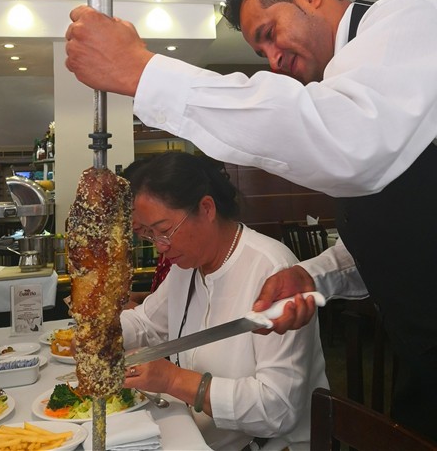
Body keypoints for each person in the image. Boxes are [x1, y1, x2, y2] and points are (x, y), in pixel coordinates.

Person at [66, 0, 437, 449]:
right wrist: (315, 274)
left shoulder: (411, 18)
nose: (274, 60)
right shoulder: (354, 92)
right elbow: (405, 230)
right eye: (262, 52)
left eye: (269, 33)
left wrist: (143, 72)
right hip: (434, 354)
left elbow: (351, 144)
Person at [120, 151, 328, 451]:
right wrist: (96, 333)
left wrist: (174, 381)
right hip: (203, 438)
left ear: (206, 208)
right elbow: (146, 323)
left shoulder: (272, 271)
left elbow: (278, 409)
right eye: (149, 235)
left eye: (164, 231)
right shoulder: (187, 266)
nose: (160, 247)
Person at [120, 159, 172, 308]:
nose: (130, 222)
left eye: (132, 210)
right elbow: (166, 299)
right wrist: (143, 298)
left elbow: (178, 309)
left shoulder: (177, 249)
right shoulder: (164, 246)